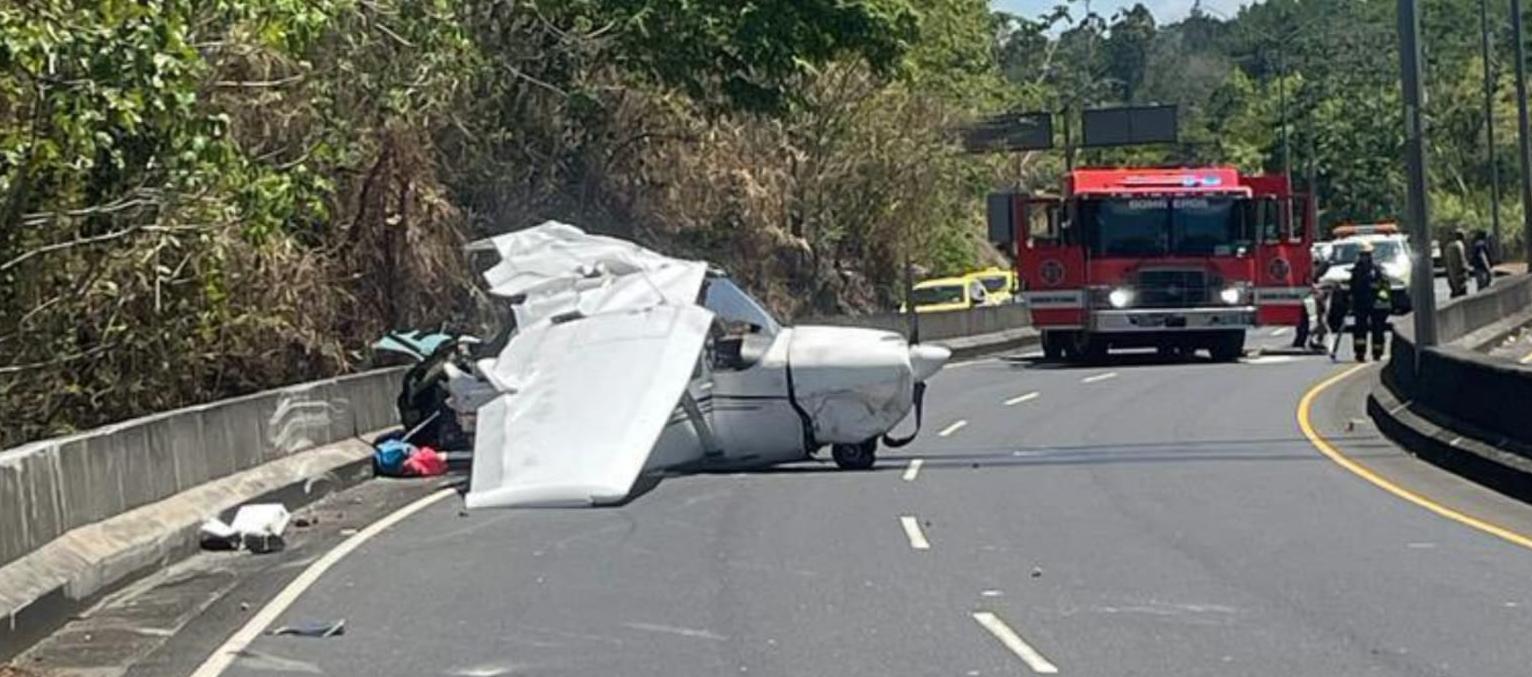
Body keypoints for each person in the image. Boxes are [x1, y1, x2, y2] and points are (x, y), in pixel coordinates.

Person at [1349, 241, 1391, 362]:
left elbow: (1384, 286)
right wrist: (1351, 300)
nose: (1364, 257)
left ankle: (1377, 352)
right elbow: (1353, 287)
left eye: (1366, 255)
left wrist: (1382, 300)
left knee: (1378, 329)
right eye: (1362, 255)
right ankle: (1360, 352)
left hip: (1375, 304)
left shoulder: (1377, 269)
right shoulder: (1356, 270)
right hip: (1360, 304)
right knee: (1359, 329)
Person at [1444, 228, 1469, 298]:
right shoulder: (1459, 245)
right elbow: (1461, 261)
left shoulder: (1448, 246)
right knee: (1461, 294)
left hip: (1451, 275)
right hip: (1459, 275)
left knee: (1455, 293)